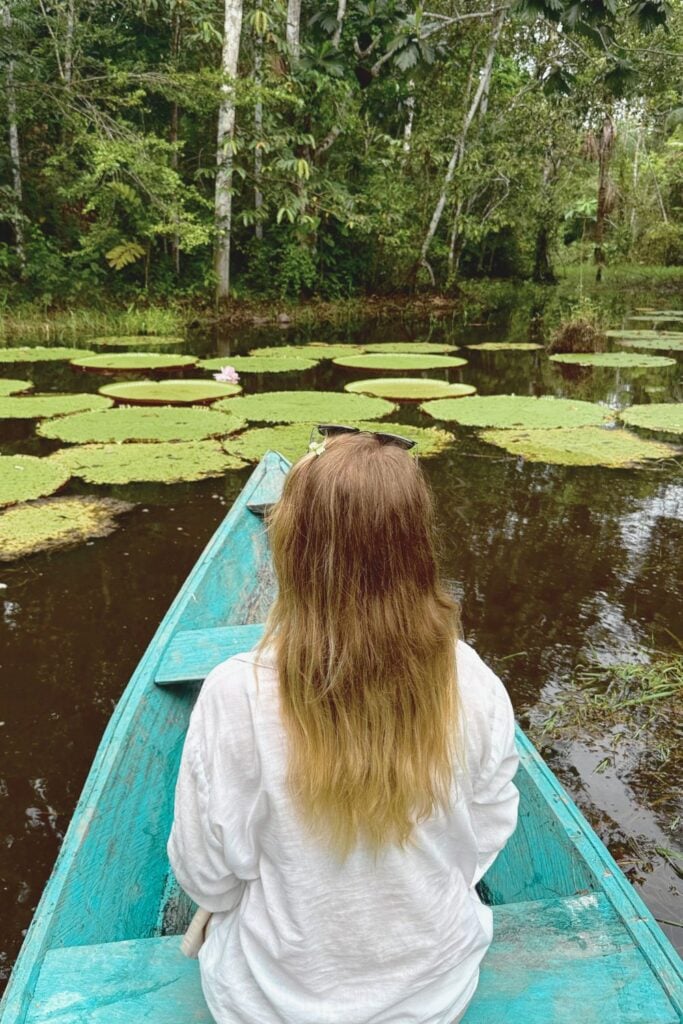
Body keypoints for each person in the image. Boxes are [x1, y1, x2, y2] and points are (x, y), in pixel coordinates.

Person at [168, 426, 519, 1024]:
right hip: (433, 997)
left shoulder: (235, 692)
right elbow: (484, 833)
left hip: (272, 1005)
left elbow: (207, 878)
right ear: (414, 546)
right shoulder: (475, 682)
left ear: (292, 550)